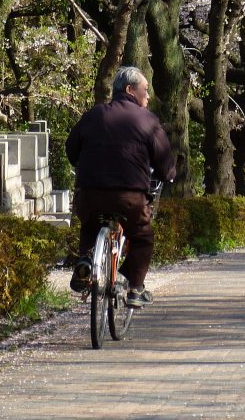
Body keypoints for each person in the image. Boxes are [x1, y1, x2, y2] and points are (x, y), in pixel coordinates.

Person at [65, 65, 176, 307]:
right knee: (143, 236)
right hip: (129, 196)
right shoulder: (147, 119)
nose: (148, 96)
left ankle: (85, 261)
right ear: (130, 89)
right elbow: (164, 158)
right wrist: (168, 174)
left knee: (89, 226)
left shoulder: (93, 115)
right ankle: (134, 286)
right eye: (145, 90)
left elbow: (71, 149)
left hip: (90, 194)